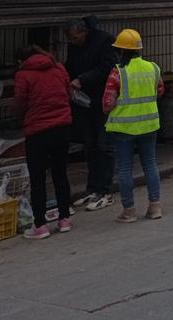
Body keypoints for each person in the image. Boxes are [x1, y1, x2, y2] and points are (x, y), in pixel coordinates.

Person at [104, 28, 165, 223]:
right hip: (149, 125)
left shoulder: (117, 73)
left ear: (121, 50)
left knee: (124, 169)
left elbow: (107, 103)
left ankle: (129, 211)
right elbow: (160, 90)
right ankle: (155, 207)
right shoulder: (153, 68)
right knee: (150, 164)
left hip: (124, 129)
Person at [14, 45, 74, 239]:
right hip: (62, 128)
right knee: (60, 174)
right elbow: (68, 93)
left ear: (22, 60)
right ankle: (64, 218)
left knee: (37, 179)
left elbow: (20, 102)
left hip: (37, 132)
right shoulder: (59, 68)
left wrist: (22, 119)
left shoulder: (23, 75)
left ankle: (40, 225)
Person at [65, 16, 117, 211]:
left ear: (84, 32)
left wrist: (82, 79)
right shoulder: (74, 47)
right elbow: (70, 66)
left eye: (76, 38)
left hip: (103, 100)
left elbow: (108, 67)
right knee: (90, 145)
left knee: (104, 145)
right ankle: (93, 188)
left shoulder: (105, 41)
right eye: (71, 39)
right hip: (84, 102)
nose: (73, 42)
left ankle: (105, 190)